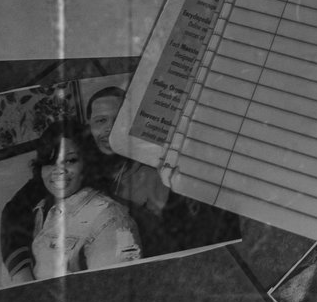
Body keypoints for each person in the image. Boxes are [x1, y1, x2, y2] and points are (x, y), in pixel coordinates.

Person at [86, 87, 240, 257]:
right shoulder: (86, 181)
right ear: (89, 126)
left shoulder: (166, 163)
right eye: (101, 121)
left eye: (118, 120)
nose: (110, 128)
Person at [24, 121, 141, 280]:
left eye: (70, 160)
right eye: (50, 162)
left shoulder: (110, 218)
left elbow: (114, 289)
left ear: (87, 163)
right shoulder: (42, 210)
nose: (58, 171)